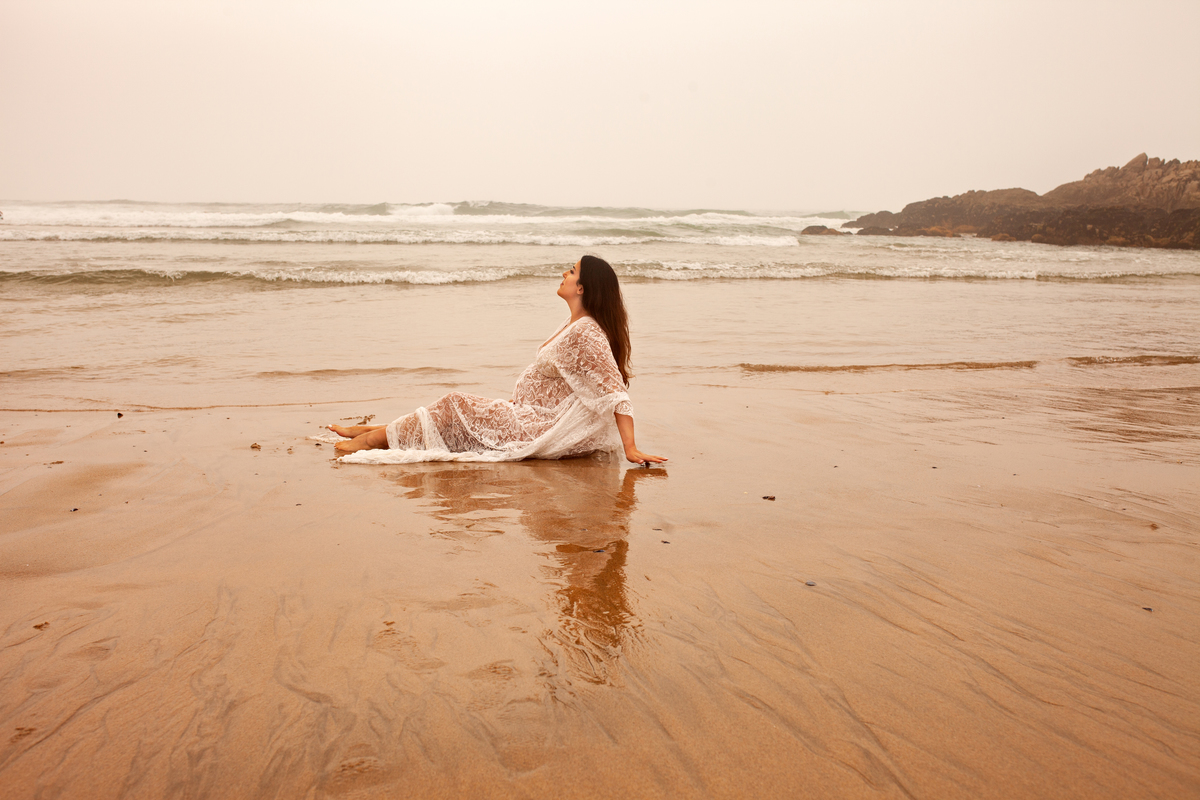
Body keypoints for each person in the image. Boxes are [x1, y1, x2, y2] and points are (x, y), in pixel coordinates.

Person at [328, 255, 667, 466]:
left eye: (572, 270)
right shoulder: (573, 324)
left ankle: (369, 441)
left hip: (541, 426)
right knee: (454, 413)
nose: (564, 272)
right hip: (530, 414)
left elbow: (615, 392)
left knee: (453, 404)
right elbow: (566, 385)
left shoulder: (587, 332)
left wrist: (631, 448)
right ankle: (377, 429)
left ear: (583, 287)